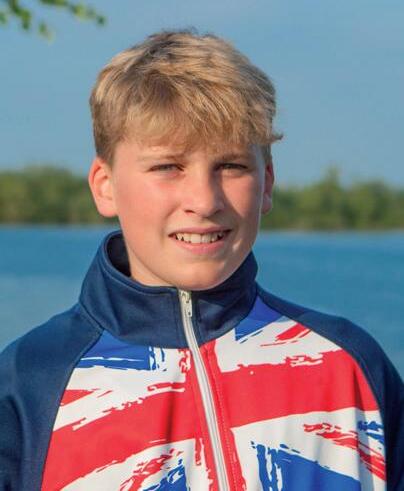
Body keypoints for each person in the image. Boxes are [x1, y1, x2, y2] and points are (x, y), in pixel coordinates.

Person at [0, 29, 403, 491]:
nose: (205, 200)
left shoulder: (347, 366)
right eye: (167, 167)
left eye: (231, 166)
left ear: (267, 183)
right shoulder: (31, 383)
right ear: (105, 186)